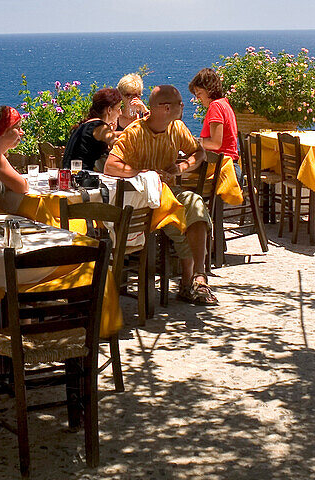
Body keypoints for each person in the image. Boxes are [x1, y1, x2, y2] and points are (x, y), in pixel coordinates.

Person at [104, 85, 217, 305]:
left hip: (169, 195)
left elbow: (199, 152)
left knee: (194, 205)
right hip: (143, 201)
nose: (184, 106)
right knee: (185, 216)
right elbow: (111, 166)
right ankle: (189, 282)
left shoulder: (177, 128)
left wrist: (182, 167)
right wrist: (142, 173)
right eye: (179, 104)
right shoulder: (135, 132)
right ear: (165, 108)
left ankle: (197, 277)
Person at [62, 88, 123, 171]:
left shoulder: (86, 125)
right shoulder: (101, 127)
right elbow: (118, 147)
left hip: (68, 174)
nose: (120, 113)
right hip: (83, 178)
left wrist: (122, 133)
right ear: (109, 110)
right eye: (118, 109)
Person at [189, 67, 240, 167]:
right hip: (229, 164)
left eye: (199, 93)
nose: (197, 98)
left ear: (209, 90)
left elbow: (215, 143)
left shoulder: (215, 106)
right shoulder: (224, 104)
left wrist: (191, 141)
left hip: (221, 167)